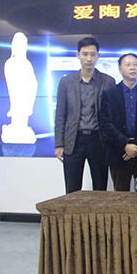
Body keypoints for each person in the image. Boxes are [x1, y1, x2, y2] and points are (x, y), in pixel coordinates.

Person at [54, 37, 115, 193]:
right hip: (73, 140)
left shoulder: (108, 81)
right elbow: (60, 113)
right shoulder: (66, 82)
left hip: (98, 140)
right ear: (78, 55)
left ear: (98, 56)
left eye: (93, 54)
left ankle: (98, 211)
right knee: (72, 189)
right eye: (85, 54)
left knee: (100, 188)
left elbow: (111, 116)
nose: (89, 59)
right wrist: (59, 144)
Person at [99, 53, 137, 191]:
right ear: (120, 69)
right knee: (120, 194)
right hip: (118, 152)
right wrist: (125, 145)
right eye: (128, 65)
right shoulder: (109, 93)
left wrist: (136, 146)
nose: (132, 68)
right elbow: (106, 124)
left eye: (135, 64)